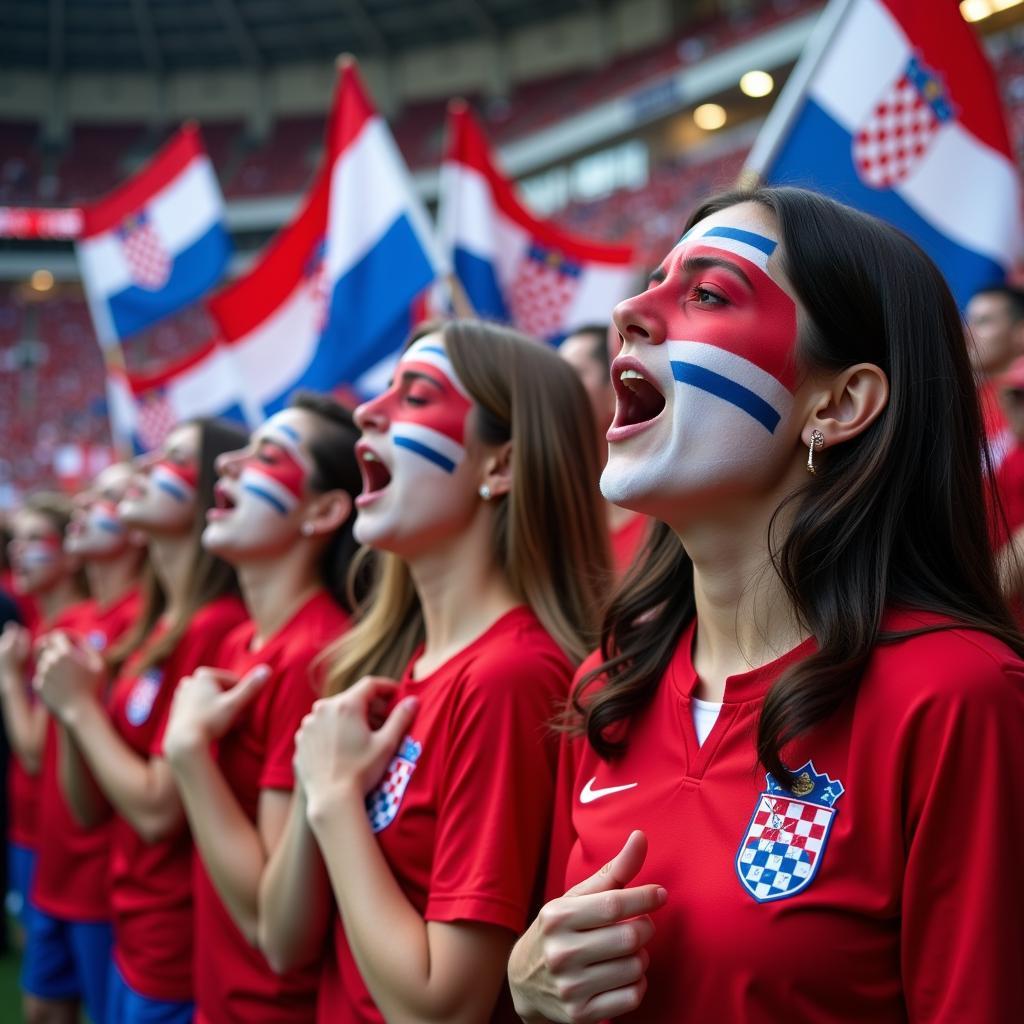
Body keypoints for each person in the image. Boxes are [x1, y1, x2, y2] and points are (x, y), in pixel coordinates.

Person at [507, 186, 1024, 1023]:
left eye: (708, 293)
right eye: (652, 283)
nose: (629, 312)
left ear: (839, 404)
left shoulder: (959, 696)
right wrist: (529, 989)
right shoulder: (608, 682)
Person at [259, 322, 609, 1024]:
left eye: (415, 396)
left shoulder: (510, 677)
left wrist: (330, 798)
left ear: (499, 466)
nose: (366, 411)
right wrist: (319, 786)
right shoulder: (382, 668)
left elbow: (442, 1009)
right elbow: (282, 940)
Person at [33, 420, 248, 1024]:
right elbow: (89, 807)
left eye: (175, 458)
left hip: (172, 937)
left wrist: (77, 708)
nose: (148, 465)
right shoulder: (155, 627)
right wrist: (73, 711)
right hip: (132, 921)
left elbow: (157, 810)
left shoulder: (215, 624)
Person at [162, 394, 362, 1024]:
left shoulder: (315, 656)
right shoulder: (237, 641)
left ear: (324, 511)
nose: (227, 467)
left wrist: (189, 755)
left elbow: (271, 923)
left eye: (267, 457)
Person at [0, 492, 100, 1024]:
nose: (18, 552)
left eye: (35, 540)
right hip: (36, 835)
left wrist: (9, 680)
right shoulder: (41, 621)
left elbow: (36, 751)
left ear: (70, 553)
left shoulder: (75, 628)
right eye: (16, 541)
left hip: (71, 847)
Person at [559, 325, 650, 575]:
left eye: (573, 373)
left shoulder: (665, 517)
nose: (554, 388)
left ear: (616, 390)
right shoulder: (553, 511)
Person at [966, 283, 1024, 470]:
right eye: (968, 321)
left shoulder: (1018, 399)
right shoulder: (965, 398)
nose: (967, 333)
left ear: (1020, 332)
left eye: (983, 322)